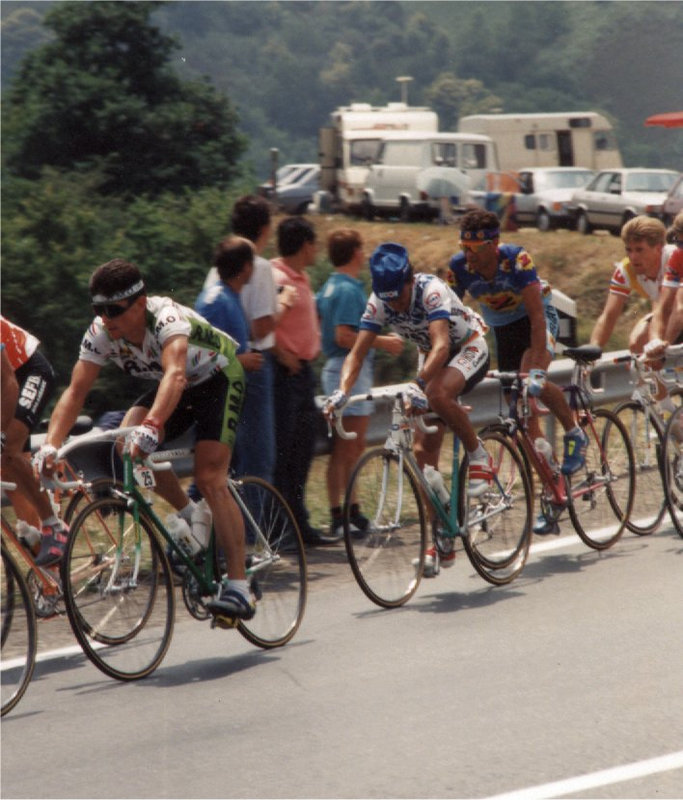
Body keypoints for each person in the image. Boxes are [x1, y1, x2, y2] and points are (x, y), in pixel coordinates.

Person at [32, 259, 255, 620]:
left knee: (210, 478)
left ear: (140, 302)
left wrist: (153, 425)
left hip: (216, 378)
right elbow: (75, 393)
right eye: (99, 309)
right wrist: (51, 445)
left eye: (114, 310)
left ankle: (240, 587)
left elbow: (176, 375)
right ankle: (191, 519)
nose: (106, 318)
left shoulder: (166, 318)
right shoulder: (101, 333)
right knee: (126, 447)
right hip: (174, 387)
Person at [324, 241, 491, 574]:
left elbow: (443, 345)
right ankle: (440, 536)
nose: (396, 307)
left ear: (410, 281)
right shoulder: (380, 301)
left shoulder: (432, 291)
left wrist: (418, 385)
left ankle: (479, 455)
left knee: (438, 395)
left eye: (400, 298)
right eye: (389, 301)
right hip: (431, 358)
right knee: (422, 454)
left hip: (465, 347)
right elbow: (356, 353)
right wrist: (341, 391)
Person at [448, 209, 588, 535]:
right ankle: (553, 488)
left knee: (531, 381)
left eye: (475, 248)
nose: (468, 254)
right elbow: (450, 319)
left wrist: (539, 367)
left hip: (537, 320)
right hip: (503, 331)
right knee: (523, 419)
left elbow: (538, 317)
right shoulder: (458, 268)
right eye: (464, 246)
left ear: (494, 244)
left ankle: (574, 432)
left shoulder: (517, 260)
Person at [316, 228, 404, 540]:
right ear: (355, 253)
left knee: (350, 447)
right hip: (348, 368)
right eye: (361, 249)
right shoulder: (349, 290)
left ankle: (349, 511)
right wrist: (385, 342)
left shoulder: (329, 286)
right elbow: (344, 335)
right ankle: (341, 515)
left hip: (338, 367)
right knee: (348, 447)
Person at [202, 196, 296, 483]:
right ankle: (251, 528)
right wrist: (285, 304)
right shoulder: (260, 266)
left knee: (229, 458)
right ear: (265, 228)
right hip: (252, 364)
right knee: (258, 460)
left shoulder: (218, 267)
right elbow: (261, 327)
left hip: (220, 365)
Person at [271, 217, 325, 546]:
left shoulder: (299, 276)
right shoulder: (277, 277)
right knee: (287, 452)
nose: (317, 249)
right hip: (287, 375)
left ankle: (299, 522)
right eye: (314, 243)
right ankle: (285, 528)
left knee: (303, 451)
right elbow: (262, 324)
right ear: (305, 244)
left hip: (304, 374)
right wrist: (280, 353)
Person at [590, 215, 677, 408]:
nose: (633, 256)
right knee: (637, 343)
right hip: (665, 313)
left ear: (659, 248)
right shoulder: (626, 270)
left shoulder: (674, 258)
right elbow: (609, 316)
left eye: (640, 250)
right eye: (629, 250)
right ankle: (671, 416)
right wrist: (593, 350)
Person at [0, 316, 67, 565]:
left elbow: (8, 384)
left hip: (27, 373)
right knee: (9, 477)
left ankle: (55, 526)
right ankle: (49, 575)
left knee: (8, 451)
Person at [643, 211, 683, 362]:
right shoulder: (678, 256)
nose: (681, 249)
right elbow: (663, 307)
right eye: (680, 244)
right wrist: (656, 341)